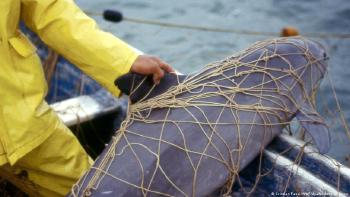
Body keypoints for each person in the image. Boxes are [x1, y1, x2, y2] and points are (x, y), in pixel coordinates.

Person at [0, 0, 174, 196]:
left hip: (21, 122)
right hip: (20, 121)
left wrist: (124, 60)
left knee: (94, 190)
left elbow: (52, 12)